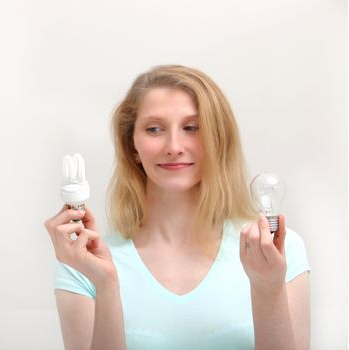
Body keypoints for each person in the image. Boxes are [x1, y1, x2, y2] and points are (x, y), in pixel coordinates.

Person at [44, 64, 311, 350]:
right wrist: (106, 285)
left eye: (192, 128)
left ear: (217, 140)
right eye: (154, 129)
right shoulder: (85, 265)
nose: (174, 146)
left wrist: (268, 288)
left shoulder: (279, 252)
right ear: (132, 145)